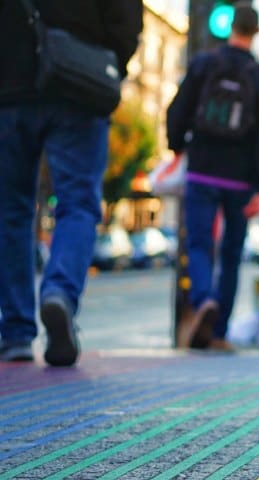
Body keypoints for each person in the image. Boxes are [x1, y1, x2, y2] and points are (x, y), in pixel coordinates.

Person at [0, 0, 143, 366]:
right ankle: (60, 292)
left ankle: (16, 332)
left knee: (11, 210)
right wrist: (110, 63)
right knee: (78, 203)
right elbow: (126, 20)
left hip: (10, 85)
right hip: (78, 81)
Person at [166, 2, 259, 351]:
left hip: (202, 169)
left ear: (231, 26)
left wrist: (177, 146)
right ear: (257, 31)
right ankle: (218, 331)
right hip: (240, 179)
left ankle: (203, 300)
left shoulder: (204, 64)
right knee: (231, 253)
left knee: (199, 243)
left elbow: (178, 110)